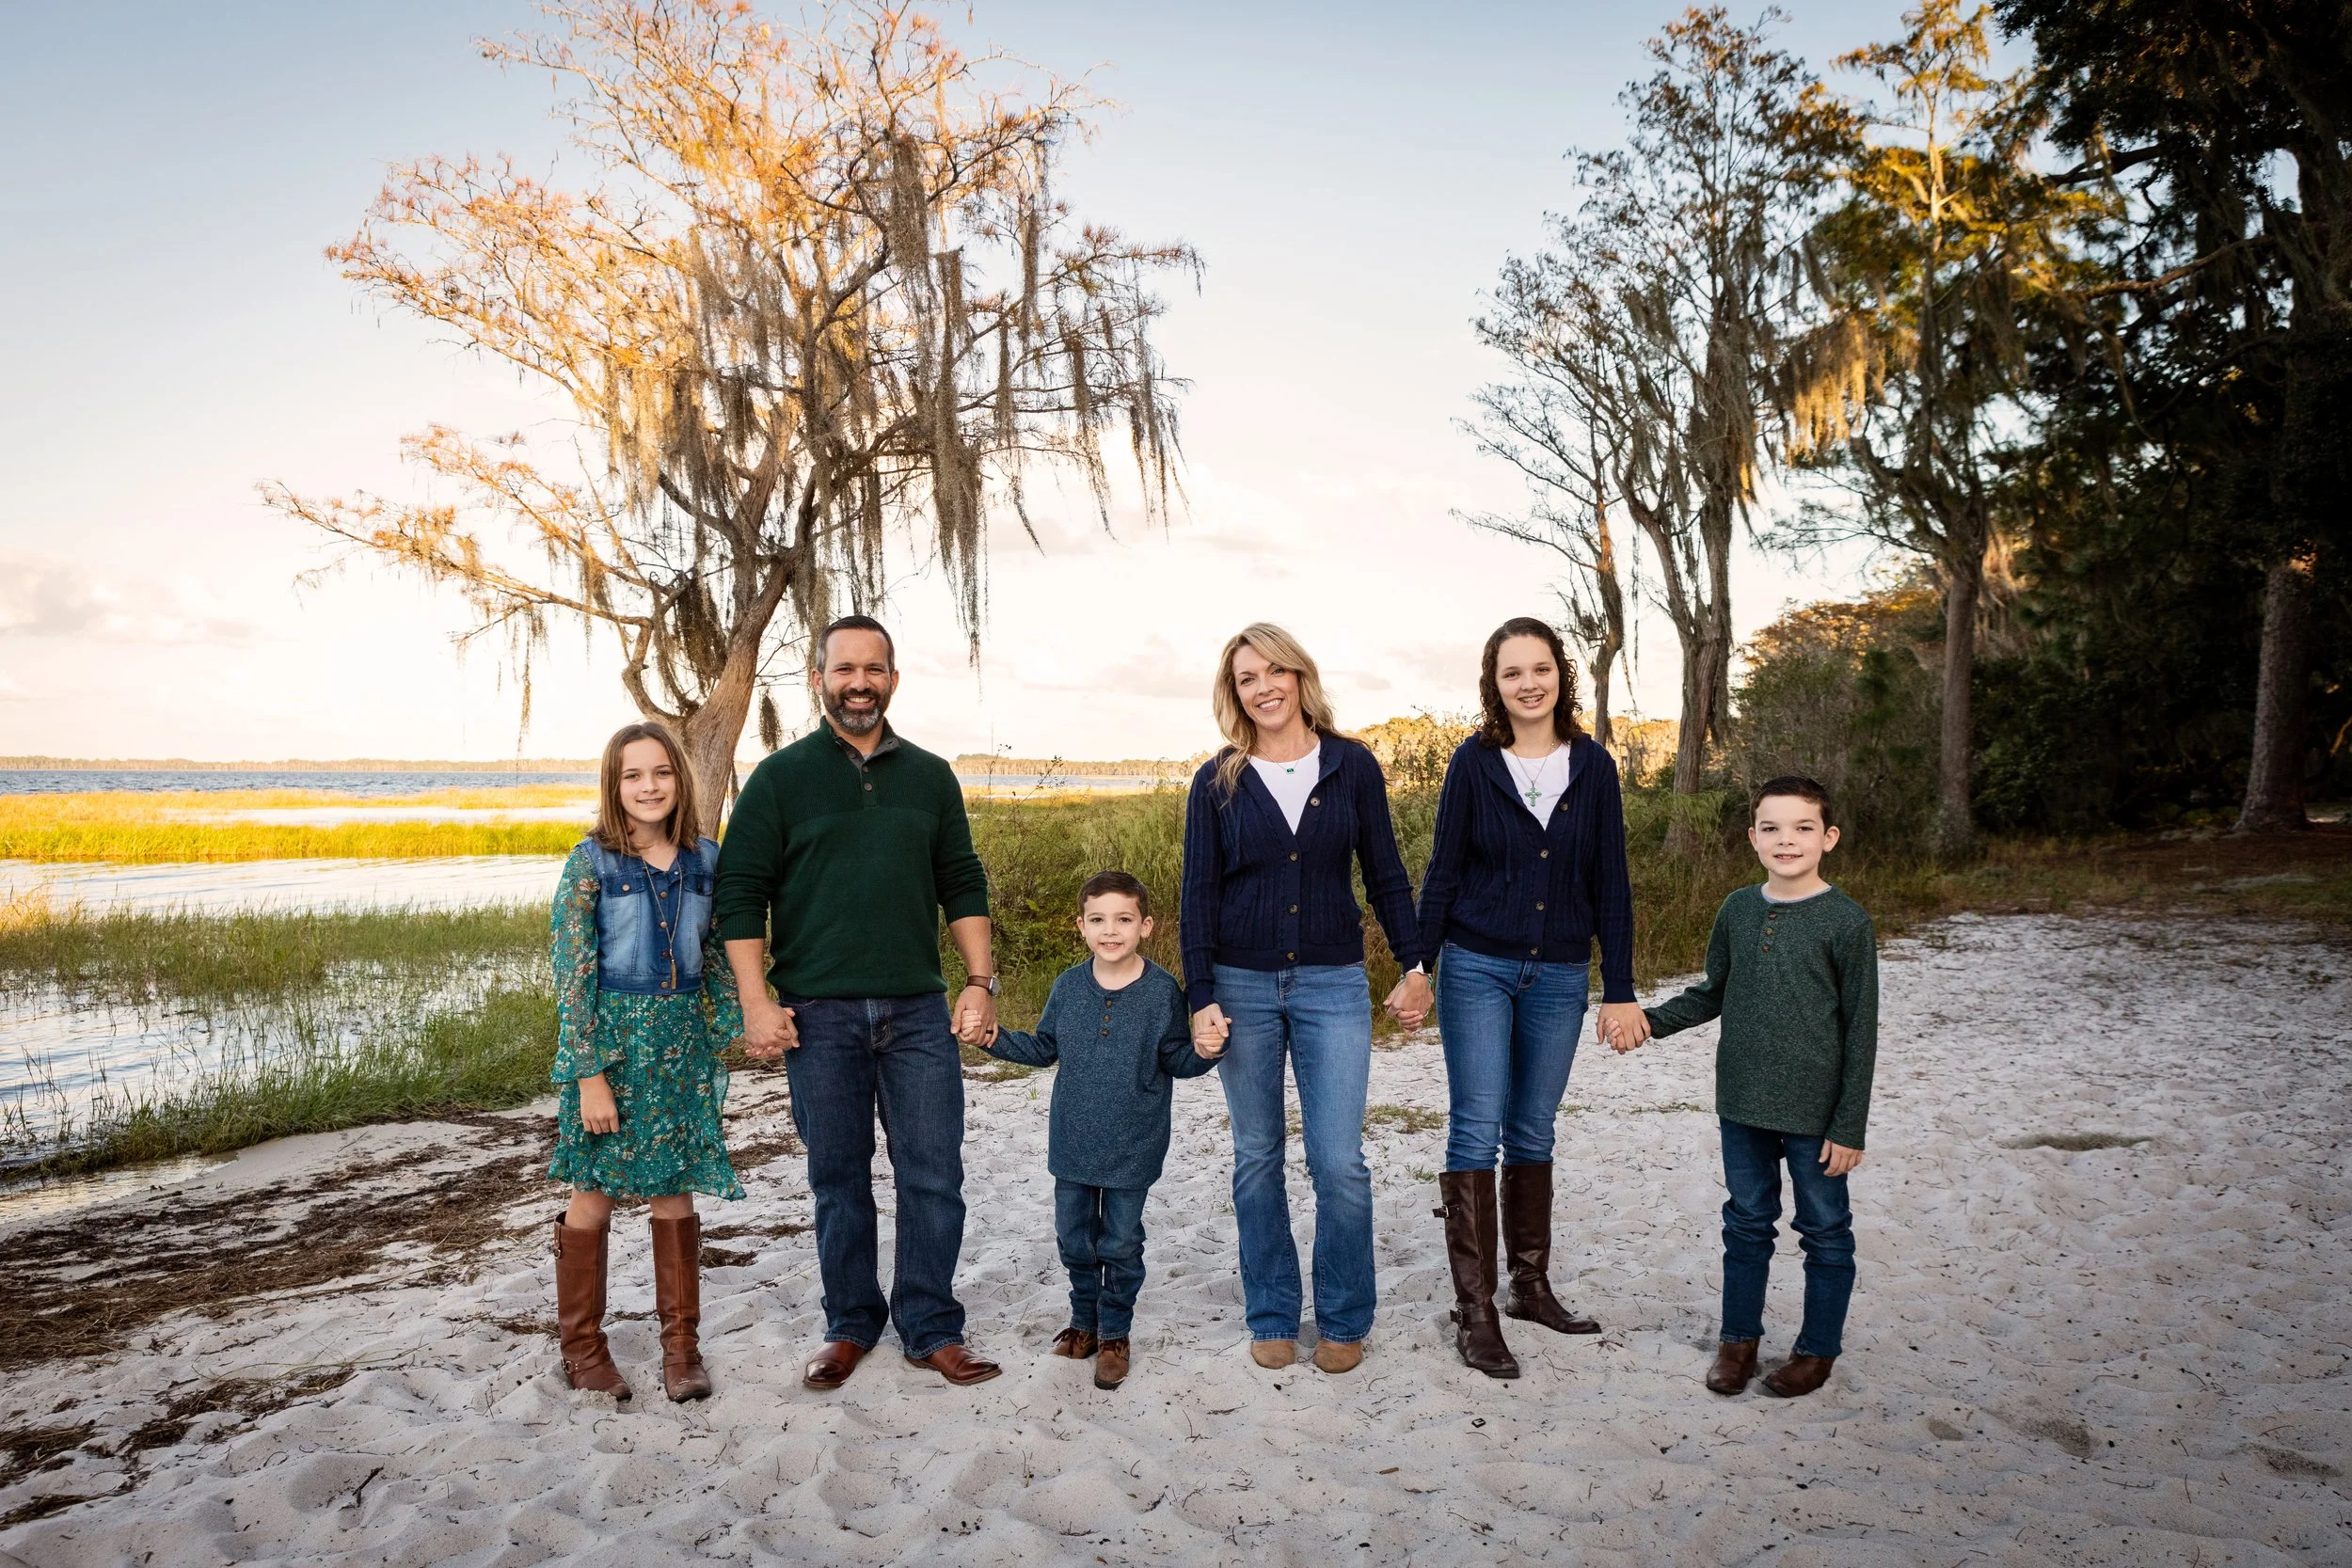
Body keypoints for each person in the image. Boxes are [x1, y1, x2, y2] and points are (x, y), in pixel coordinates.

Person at [713, 614, 1004, 1391]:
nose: (860, 682)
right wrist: (754, 1000)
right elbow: (740, 894)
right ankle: (850, 1323)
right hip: (819, 1014)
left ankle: (933, 1327)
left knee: (933, 1174)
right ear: (819, 680)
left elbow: (962, 881)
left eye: (874, 668)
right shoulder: (779, 778)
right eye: (844, 669)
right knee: (837, 1177)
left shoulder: (931, 776)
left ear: (893, 679)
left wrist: (979, 982)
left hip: (918, 1012)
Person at [1182, 623, 1431, 1375]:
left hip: (1332, 984)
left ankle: (1346, 1316)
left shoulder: (1352, 765)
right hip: (1242, 985)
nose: (1263, 687)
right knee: (1257, 1156)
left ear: (1299, 676)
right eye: (1246, 677)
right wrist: (1201, 995)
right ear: (1235, 693)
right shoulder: (1217, 780)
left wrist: (1415, 964)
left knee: (1338, 1160)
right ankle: (1271, 1312)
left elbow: (1385, 872)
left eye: (1274, 671)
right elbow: (1196, 897)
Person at [1415, 617, 1649, 1379]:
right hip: (1476, 966)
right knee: (1476, 1126)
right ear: (1495, 684)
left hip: (1557, 976)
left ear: (1560, 676)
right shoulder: (1473, 765)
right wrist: (1419, 961)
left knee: (1534, 1126)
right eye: (1512, 672)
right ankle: (1476, 1309)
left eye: (1540, 668)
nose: (1528, 683)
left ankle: (1530, 1286)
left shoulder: (1594, 766)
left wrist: (1618, 988)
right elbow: (1443, 872)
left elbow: (1610, 882)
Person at [1628, 775, 1879, 1399]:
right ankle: (1738, 1341)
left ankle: (1816, 1350)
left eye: (1801, 827)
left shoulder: (1847, 922)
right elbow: (1713, 991)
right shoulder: (1739, 909)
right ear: (1753, 836)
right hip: (1741, 1102)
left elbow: (1861, 1031)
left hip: (1816, 1113)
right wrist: (1649, 1022)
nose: (1785, 839)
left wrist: (1849, 1125)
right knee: (1746, 1222)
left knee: (1823, 1228)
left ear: (1829, 837)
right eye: (1771, 827)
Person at [548, 721, 743, 1404]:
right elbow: (572, 977)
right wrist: (589, 1073)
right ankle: (582, 1347)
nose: (649, 785)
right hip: (612, 1051)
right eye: (633, 775)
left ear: (678, 780)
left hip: (679, 1048)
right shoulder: (590, 863)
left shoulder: (705, 860)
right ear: (614, 784)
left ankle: (681, 1348)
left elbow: (718, 957)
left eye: (661, 772)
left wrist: (752, 1022)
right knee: (593, 1191)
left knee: (673, 1188)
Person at [979, 871, 1221, 1390]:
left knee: (1120, 1242)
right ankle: (1083, 1321)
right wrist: (994, 1038)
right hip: (1072, 1141)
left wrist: (1206, 1053)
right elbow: (1045, 1048)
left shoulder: (1162, 993)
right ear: (1082, 926)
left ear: (1146, 926)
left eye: (1123, 919)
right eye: (1098, 920)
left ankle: (1114, 1333)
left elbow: (1176, 1058)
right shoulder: (1069, 986)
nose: (1110, 931)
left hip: (1134, 1143)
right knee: (1074, 1239)